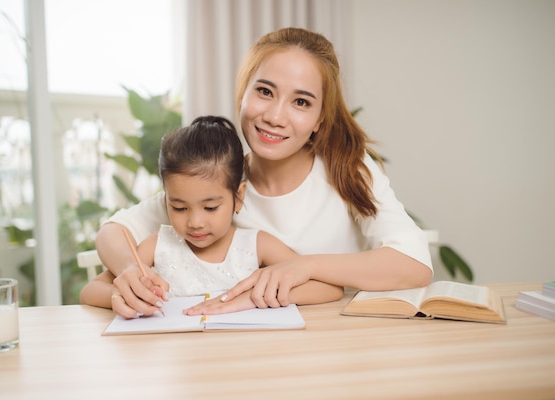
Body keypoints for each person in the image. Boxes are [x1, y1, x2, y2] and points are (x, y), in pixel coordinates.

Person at [93, 27, 433, 317]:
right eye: (265, 92)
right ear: (242, 94)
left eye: (301, 102)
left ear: (319, 120)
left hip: (338, 345)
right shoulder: (220, 178)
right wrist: (128, 270)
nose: (275, 116)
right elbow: (114, 231)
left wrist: (305, 266)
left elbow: (414, 265)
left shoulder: (349, 169)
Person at [79, 115, 344, 318]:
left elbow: (329, 288)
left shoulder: (256, 244)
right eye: (179, 208)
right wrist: (126, 295)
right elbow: (90, 291)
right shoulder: (158, 244)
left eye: (210, 208)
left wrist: (256, 296)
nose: (195, 222)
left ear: (238, 196)